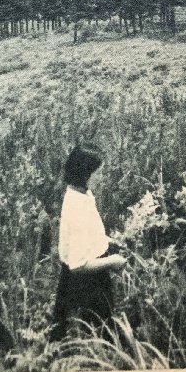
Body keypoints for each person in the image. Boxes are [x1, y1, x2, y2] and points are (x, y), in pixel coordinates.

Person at [50, 144, 128, 341]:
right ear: (85, 173)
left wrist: (107, 241)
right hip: (85, 282)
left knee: (99, 329)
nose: (102, 177)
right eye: (98, 172)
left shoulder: (81, 193)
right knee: (97, 332)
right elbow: (78, 265)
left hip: (90, 273)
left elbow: (88, 233)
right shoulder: (76, 208)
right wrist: (113, 261)